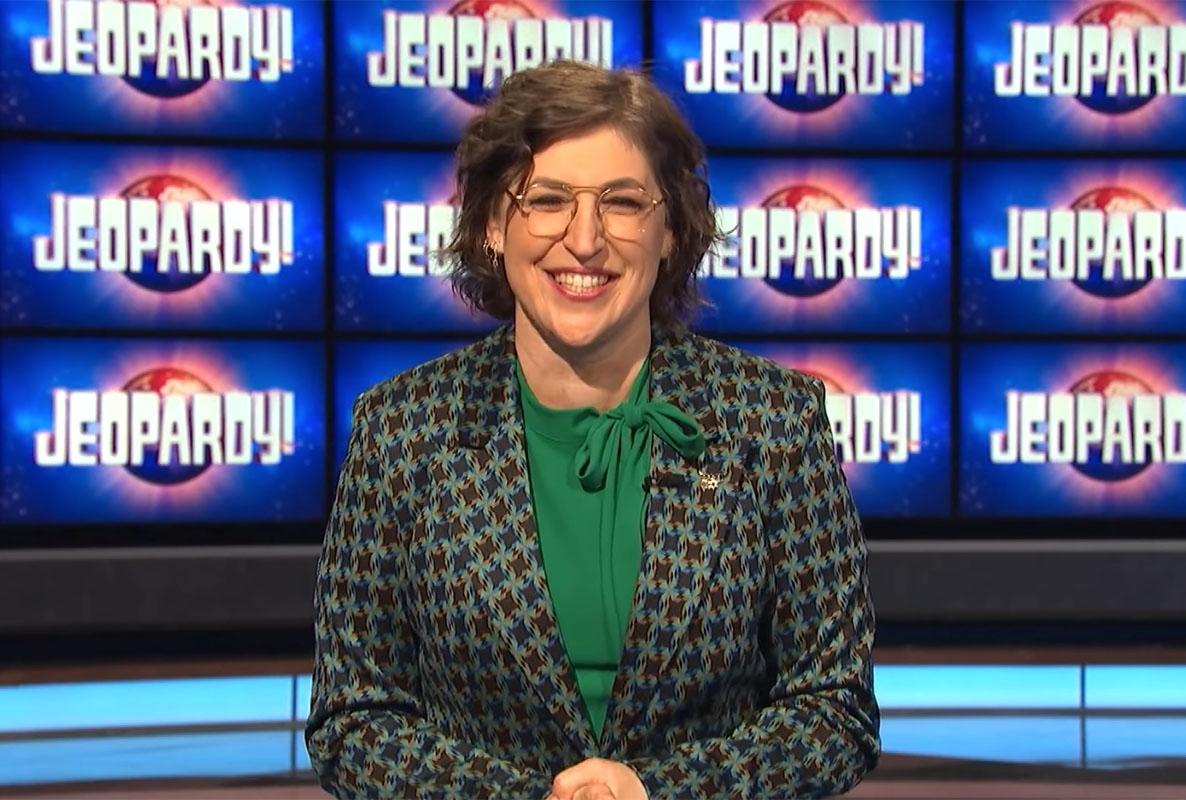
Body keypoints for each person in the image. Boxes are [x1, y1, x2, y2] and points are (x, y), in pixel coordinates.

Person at [306, 60, 880, 800]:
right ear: (491, 225)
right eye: (546, 200)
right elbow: (353, 716)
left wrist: (656, 791)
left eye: (622, 202)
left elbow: (835, 708)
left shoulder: (772, 423)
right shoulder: (402, 431)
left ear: (671, 229)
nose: (584, 239)